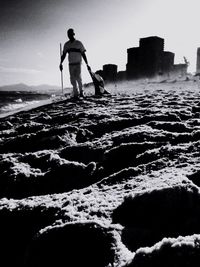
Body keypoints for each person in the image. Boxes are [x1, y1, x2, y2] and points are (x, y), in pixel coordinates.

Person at [59, 28, 90, 98]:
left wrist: (87, 63)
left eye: (70, 34)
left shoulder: (79, 43)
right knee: (72, 80)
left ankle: (81, 92)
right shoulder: (66, 44)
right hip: (71, 64)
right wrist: (60, 63)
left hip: (78, 63)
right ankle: (76, 94)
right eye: (68, 34)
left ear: (73, 34)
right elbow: (63, 55)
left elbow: (83, 54)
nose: (69, 35)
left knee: (78, 78)